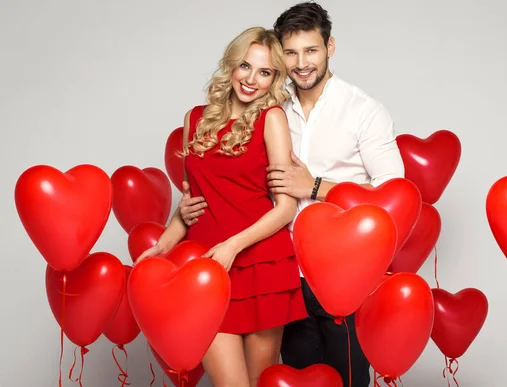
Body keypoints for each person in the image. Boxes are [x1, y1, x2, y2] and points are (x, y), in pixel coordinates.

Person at [178, 2, 405, 386]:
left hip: (342, 279)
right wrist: (190, 203)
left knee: (346, 381)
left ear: (330, 47)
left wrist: (314, 187)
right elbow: (233, 176)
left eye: (311, 50)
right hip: (283, 274)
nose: (302, 63)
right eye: (292, 53)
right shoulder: (267, 105)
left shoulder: (363, 110)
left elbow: (392, 195)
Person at [136, 26, 308, 387]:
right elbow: (192, 204)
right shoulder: (194, 119)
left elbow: (285, 208)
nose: (251, 80)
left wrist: (232, 246)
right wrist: (162, 246)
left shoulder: (272, 118)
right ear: (231, 65)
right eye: (245, 66)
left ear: (274, 78)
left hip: (261, 264)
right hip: (205, 267)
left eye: (265, 72)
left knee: (261, 382)